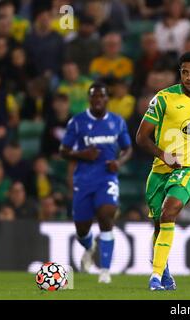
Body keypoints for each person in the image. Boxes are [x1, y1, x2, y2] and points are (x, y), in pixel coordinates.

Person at [136, 52, 190, 291]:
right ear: (180, 72)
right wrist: (164, 155)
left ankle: (154, 277)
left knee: (169, 212)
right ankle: (165, 272)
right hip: (160, 169)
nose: (189, 77)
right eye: (185, 72)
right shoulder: (163, 98)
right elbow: (141, 138)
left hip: (188, 169)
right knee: (159, 225)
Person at [59, 82, 133, 284]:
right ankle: (89, 246)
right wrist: (82, 154)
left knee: (106, 214)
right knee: (82, 228)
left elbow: (128, 149)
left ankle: (105, 271)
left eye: (101, 96)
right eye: (94, 97)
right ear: (89, 99)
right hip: (83, 179)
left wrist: (118, 162)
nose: (98, 100)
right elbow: (63, 151)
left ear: (107, 99)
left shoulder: (117, 122)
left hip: (106, 177)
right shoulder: (77, 122)